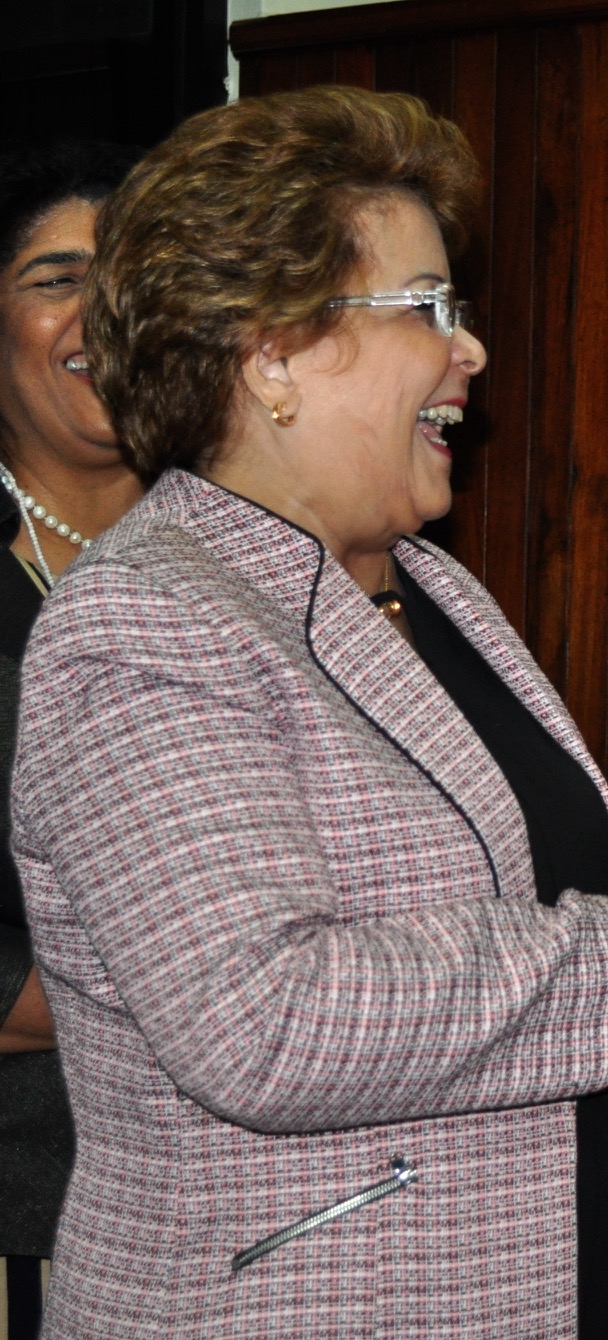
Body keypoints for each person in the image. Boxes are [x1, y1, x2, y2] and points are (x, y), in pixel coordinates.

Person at [10, 87, 608, 1340]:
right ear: (272, 354)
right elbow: (267, 1016)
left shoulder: (430, 586)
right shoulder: (139, 623)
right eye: (426, 308)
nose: (466, 349)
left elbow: (504, 871)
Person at [0, 138, 143, 1340]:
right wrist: (205, 972)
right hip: (24, 1203)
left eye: (128, 275)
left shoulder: (274, 548)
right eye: (54, 277)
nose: (96, 309)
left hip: (255, 1203)